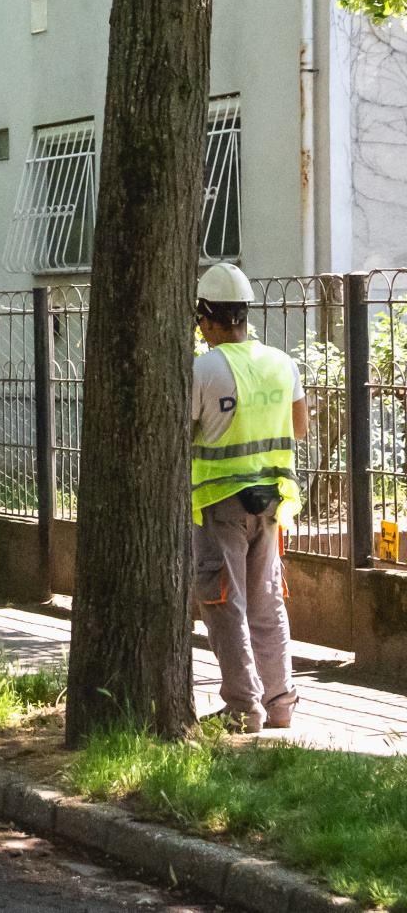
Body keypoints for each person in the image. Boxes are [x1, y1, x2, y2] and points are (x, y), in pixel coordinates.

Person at [191, 262, 310, 733]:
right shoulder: (282, 363)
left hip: (221, 505)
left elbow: (182, 430)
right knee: (266, 602)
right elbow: (299, 427)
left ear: (208, 318)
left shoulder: (206, 368)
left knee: (224, 603)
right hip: (273, 502)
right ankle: (280, 702)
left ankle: (243, 708)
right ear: (244, 314)